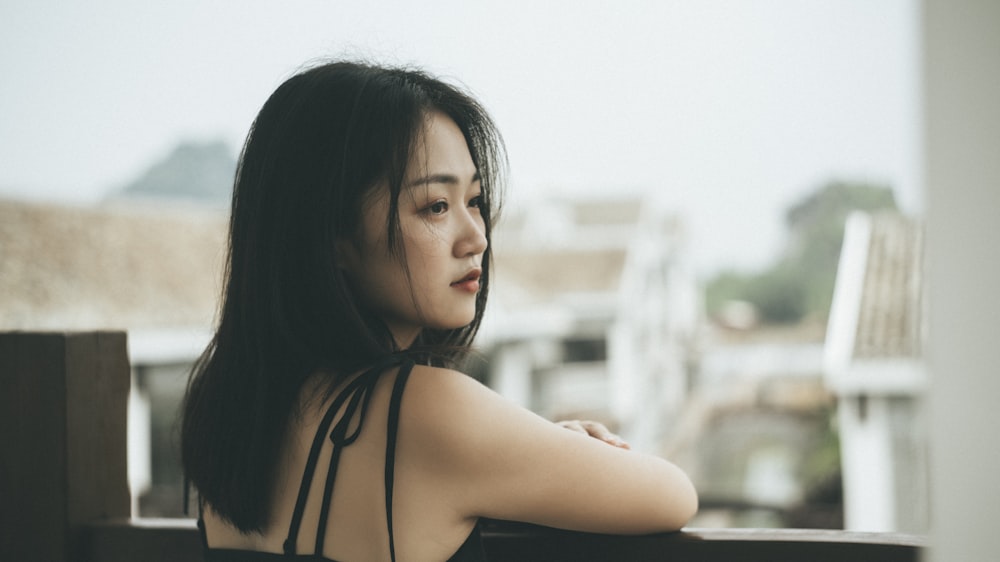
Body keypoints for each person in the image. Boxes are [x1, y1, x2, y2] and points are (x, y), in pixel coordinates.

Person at [181, 59, 697, 562]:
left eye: (474, 200)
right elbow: (673, 495)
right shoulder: (426, 409)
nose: (476, 237)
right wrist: (539, 451)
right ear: (332, 236)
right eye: (435, 206)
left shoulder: (234, 409)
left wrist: (522, 451)